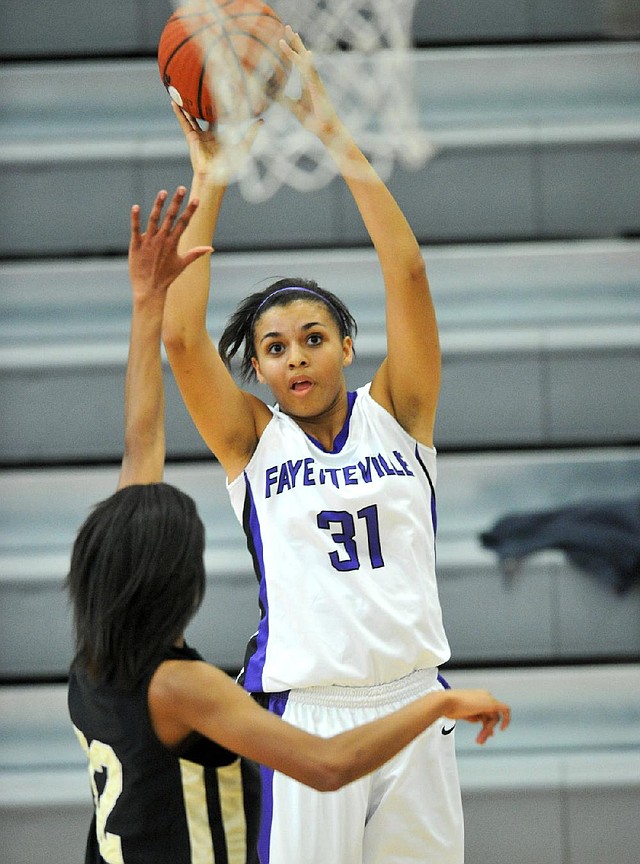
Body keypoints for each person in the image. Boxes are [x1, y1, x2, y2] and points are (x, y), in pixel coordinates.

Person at [67, 187, 510, 864]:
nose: (296, 356)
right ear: (259, 370)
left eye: (313, 338)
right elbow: (183, 340)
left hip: (415, 694)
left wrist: (342, 150)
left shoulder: (399, 415)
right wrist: (208, 177)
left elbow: (409, 273)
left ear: (347, 345)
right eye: (274, 348)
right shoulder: (254, 440)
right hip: (307, 706)